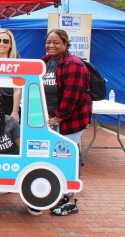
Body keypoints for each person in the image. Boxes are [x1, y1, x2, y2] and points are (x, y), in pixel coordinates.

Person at [42, 29, 92, 216]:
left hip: (69, 121)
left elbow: (72, 97)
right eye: (48, 42)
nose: (51, 45)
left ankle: (71, 200)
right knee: (56, 157)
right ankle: (62, 194)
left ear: (65, 44)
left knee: (68, 157)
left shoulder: (74, 65)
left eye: (56, 42)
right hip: (53, 119)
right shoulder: (46, 62)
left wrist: (57, 119)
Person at [0, 29, 21, 121]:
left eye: (6, 41)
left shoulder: (16, 63)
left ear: (11, 44)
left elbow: (17, 90)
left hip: (9, 103)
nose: (1, 43)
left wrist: (15, 111)